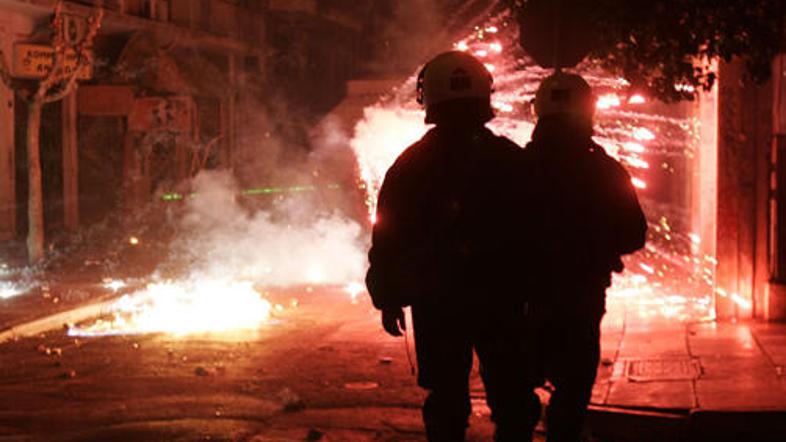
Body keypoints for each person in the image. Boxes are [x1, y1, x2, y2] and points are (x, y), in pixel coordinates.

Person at [365, 51, 540, 441]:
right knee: (512, 401)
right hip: (504, 301)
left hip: (438, 302)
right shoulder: (512, 160)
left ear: (428, 99)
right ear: (486, 95)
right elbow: (538, 231)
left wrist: (389, 297)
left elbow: (389, 237)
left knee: (446, 402)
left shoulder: (410, 166)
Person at [525, 71, 648, 442]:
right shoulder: (603, 169)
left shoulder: (512, 166)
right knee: (573, 388)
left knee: (516, 392)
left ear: (538, 112)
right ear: (588, 111)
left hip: (524, 298)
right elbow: (633, 233)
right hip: (581, 294)